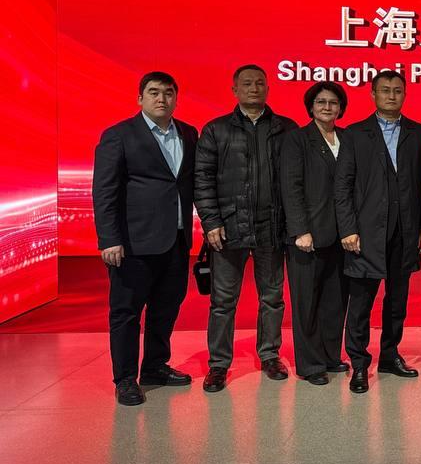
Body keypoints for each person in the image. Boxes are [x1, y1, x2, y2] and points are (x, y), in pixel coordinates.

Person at [93, 71, 198, 406]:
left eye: (168, 93)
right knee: (126, 312)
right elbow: (104, 192)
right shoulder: (119, 135)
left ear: (176, 98)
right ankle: (125, 378)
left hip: (176, 240)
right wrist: (109, 239)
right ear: (140, 98)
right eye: (153, 92)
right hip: (132, 243)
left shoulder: (188, 133)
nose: (161, 99)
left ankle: (154, 367)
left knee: (165, 308)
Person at [195, 64, 298, 392]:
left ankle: (269, 355)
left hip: (272, 227)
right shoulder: (216, 130)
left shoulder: (286, 128)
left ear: (268, 88)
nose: (254, 88)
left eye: (260, 83)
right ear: (234, 89)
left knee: (272, 297)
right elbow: (202, 179)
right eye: (247, 84)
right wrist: (211, 221)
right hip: (228, 228)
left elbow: (296, 180)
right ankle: (218, 364)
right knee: (223, 300)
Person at [334, 70, 421, 394]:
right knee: (361, 303)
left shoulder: (418, 133)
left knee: (397, 302)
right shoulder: (355, 134)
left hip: (405, 232)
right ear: (373, 94)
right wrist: (348, 228)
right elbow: (342, 185)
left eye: (397, 90)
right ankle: (359, 364)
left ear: (405, 94)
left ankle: (390, 356)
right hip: (365, 234)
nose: (392, 95)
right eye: (385, 90)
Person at [279, 81, 351, 386]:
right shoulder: (297, 139)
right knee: (306, 302)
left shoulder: (347, 138)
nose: (327, 107)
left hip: (342, 236)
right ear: (311, 107)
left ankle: (331, 356)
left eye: (333, 102)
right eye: (321, 102)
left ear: (341, 108)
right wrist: (300, 230)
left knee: (335, 300)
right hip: (307, 236)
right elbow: (290, 186)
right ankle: (310, 364)